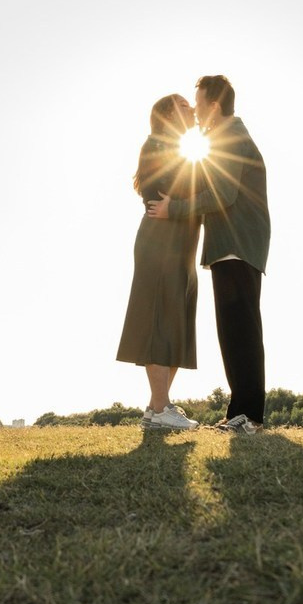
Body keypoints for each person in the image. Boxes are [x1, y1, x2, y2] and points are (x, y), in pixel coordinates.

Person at [146, 74, 269, 434]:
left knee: (242, 330)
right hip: (227, 246)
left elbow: (221, 195)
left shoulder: (230, 136)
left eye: (198, 104)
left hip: (237, 245)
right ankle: (238, 413)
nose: (196, 112)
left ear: (213, 105)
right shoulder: (222, 136)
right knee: (231, 332)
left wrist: (174, 210)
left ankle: (250, 415)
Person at [116, 94, 202, 431]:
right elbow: (165, 195)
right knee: (159, 320)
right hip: (159, 244)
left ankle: (156, 409)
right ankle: (162, 406)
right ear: (167, 114)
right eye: (184, 106)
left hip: (183, 248)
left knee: (176, 322)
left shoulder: (185, 149)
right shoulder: (157, 144)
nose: (192, 109)